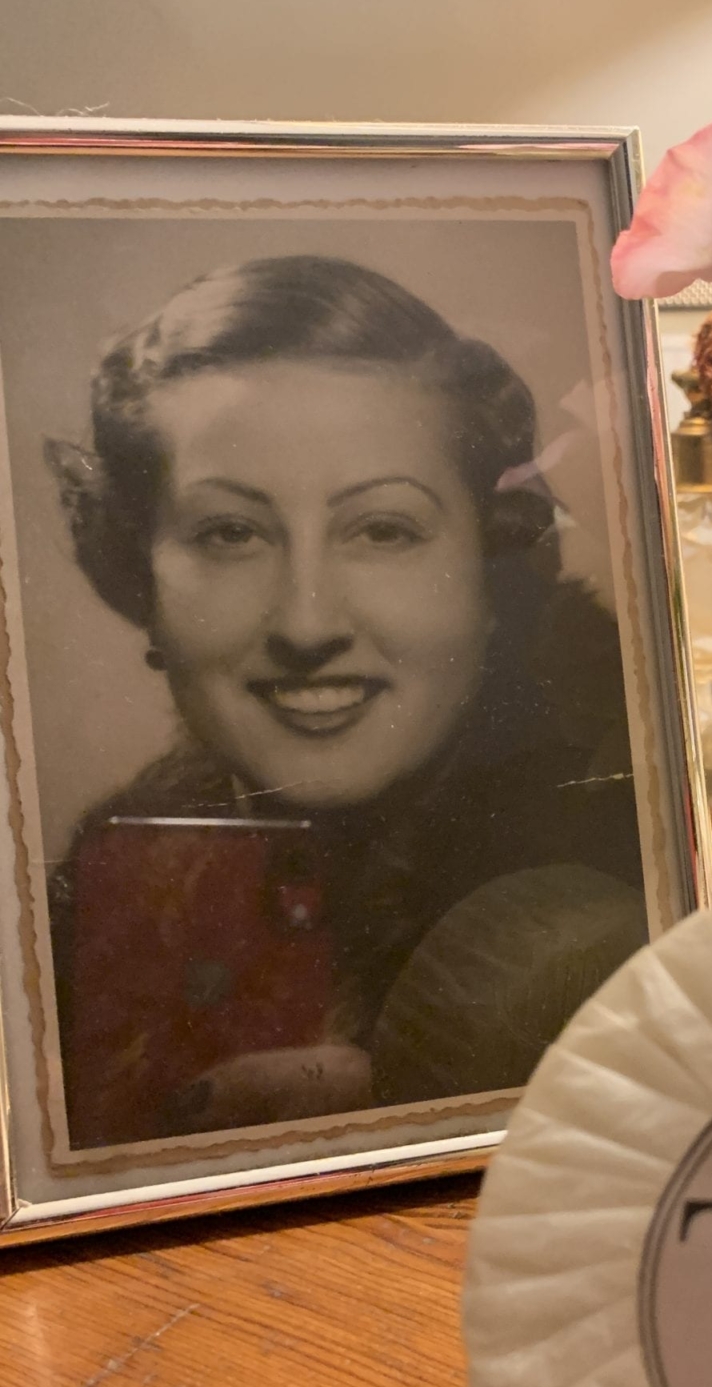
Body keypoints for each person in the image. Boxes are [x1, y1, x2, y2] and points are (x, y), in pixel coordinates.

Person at [46, 253, 647, 1145]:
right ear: (139, 576)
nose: (307, 620)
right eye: (232, 532)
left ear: (493, 568)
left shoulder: (606, 901)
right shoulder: (118, 886)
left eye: (383, 529)